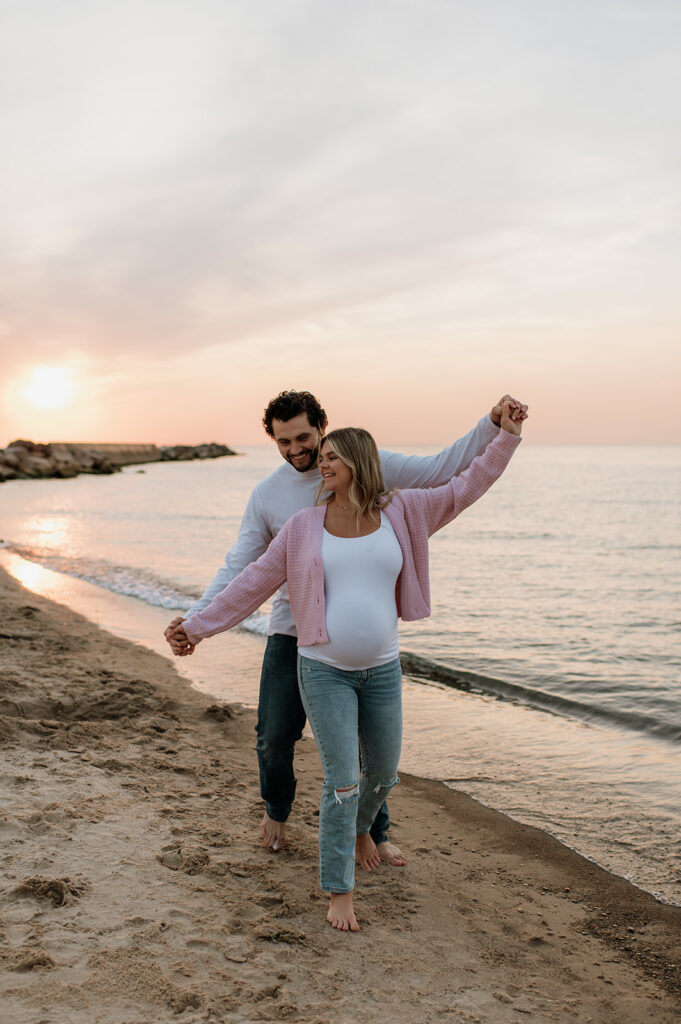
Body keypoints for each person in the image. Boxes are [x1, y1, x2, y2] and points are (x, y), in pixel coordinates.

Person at [167, 400, 523, 932]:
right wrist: (195, 625)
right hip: (305, 644)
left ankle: (367, 831)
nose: (303, 454)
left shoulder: (400, 505)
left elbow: (457, 476)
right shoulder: (289, 514)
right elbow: (246, 577)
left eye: (312, 443)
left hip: (380, 666)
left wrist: (501, 431)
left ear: (336, 443)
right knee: (293, 746)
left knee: (378, 770)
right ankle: (313, 853)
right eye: (285, 443)